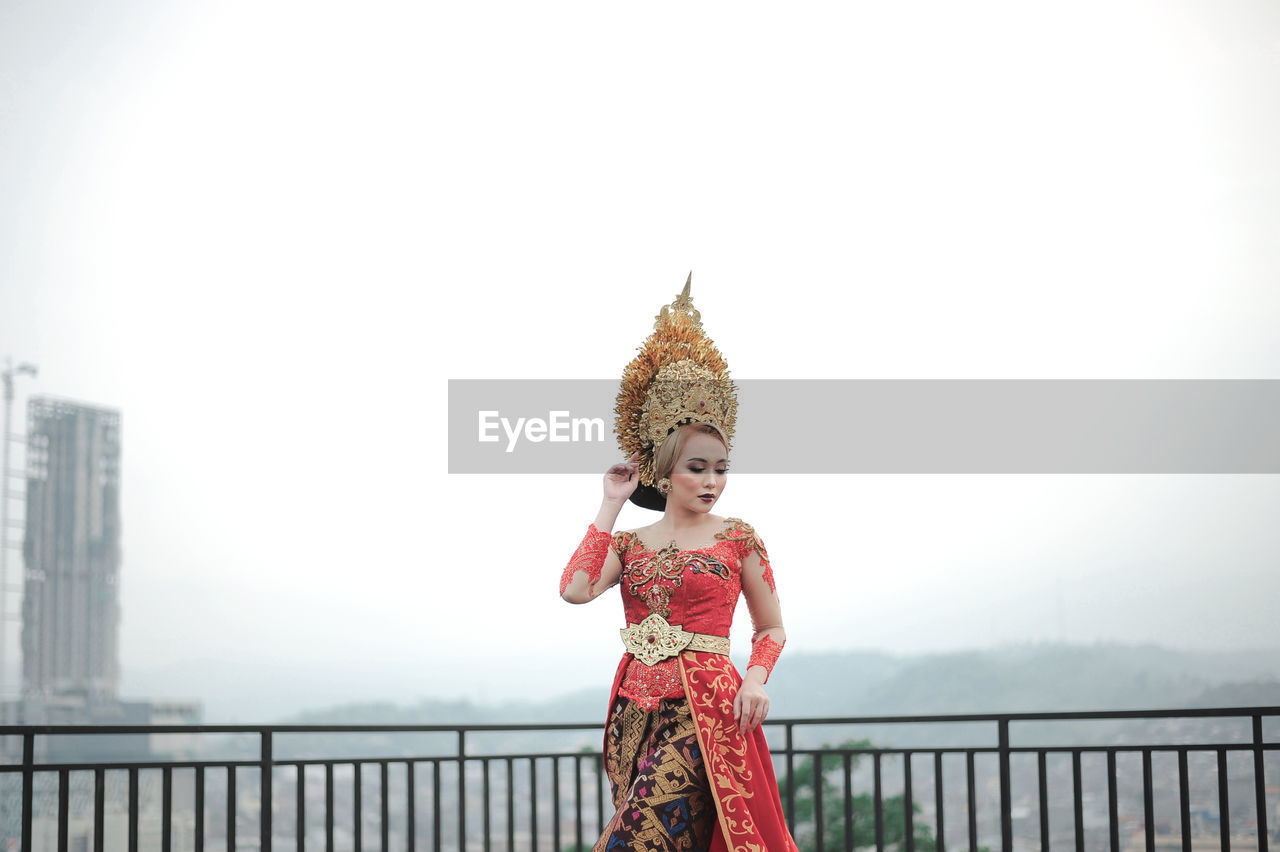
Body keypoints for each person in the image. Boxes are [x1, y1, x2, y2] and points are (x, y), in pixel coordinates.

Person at [559, 275, 799, 852]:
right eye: (698, 467)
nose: (712, 481)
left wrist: (758, 680)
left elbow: (770, 628)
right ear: (666, 471)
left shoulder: (739, 538)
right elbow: (574, 589)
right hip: (632, 708)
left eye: (721, 467)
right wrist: (610, 504)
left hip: (707, 711)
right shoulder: (630, 543)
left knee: (629, 844)